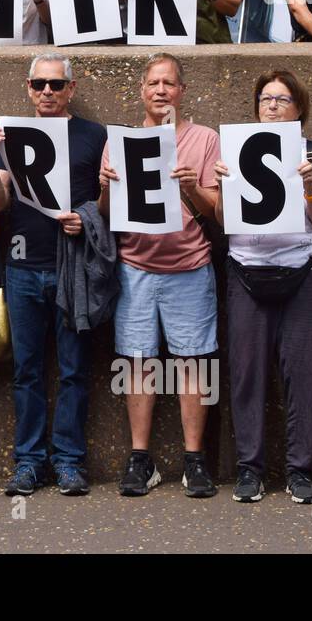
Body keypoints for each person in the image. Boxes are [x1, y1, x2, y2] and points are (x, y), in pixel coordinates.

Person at [0, 53, 107, 496]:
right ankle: (29, 462)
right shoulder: (9, 136)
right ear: (28, 88)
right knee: (26, 371)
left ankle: (69, 461)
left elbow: (111, 202)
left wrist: (88, 216)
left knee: (73, 370)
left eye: (56, 85)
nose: (47, 92)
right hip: (21, 268)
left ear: (72, 89)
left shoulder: (95, 135)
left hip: (73, 269)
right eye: (39, 84)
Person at [98, 53, 221, 497]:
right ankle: (140, 458)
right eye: (153, 83)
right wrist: (106, 187)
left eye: (169, 83)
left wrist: (192, 187)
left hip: (189, 266)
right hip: (135, 268)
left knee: (193, 362)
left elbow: (217, 212)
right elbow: (107, 215)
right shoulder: (121, 141)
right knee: (138, 363)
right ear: (142, 90)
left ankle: (194, 459)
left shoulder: (205, 139)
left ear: (182, 91)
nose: (161, 90)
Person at [213, 71, 312, 504]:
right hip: (248, 270)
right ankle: (250, 470)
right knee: (247, 371)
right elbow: (223, 222)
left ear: (299, 109)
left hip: (304, 271)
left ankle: (301, 471)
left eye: (283, 100)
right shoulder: (235, 150)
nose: (272, 106)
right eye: (265, 98)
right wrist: (223, 186)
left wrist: (309, 187)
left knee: (303, 373)